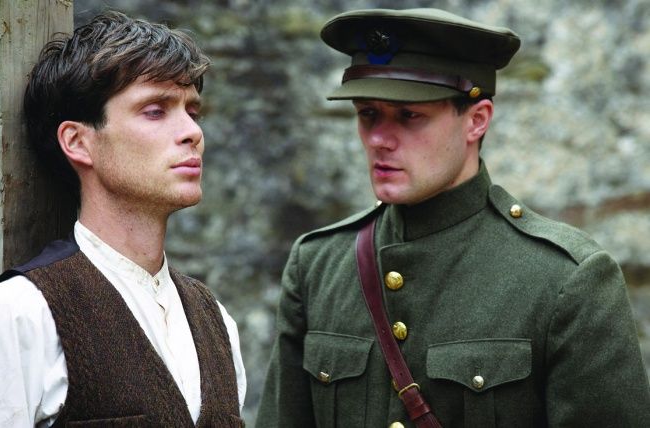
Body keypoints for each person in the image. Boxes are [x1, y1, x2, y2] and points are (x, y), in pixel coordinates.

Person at [257, 7, 650, 428]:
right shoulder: (317, 265)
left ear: (476, 121)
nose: (379, 139)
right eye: (368, 114)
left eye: (409, 115)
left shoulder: (565, 279)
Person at [0, 11, 245, 427]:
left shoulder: (216, 322)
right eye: (155, 111)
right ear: (77, 141)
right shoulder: (17, 316)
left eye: (192, 112)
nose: (192, 133)